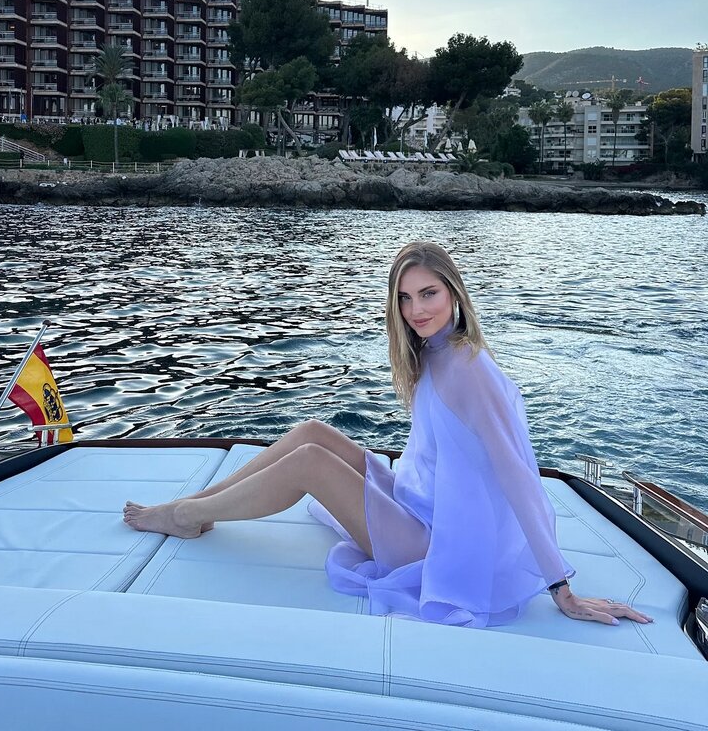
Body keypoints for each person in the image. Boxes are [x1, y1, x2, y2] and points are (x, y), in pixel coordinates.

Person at [123, 241, 653, 630]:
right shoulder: (436, 352)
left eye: (429, 293)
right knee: (312, 432)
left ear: (455, 293)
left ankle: (183, 516)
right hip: (418, 506)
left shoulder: (470, 370)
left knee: (309, 462)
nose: (416, 310)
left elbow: (518, 476)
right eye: (404, 298)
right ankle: (197, 507)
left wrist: (560, 587)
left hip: (434, 546)